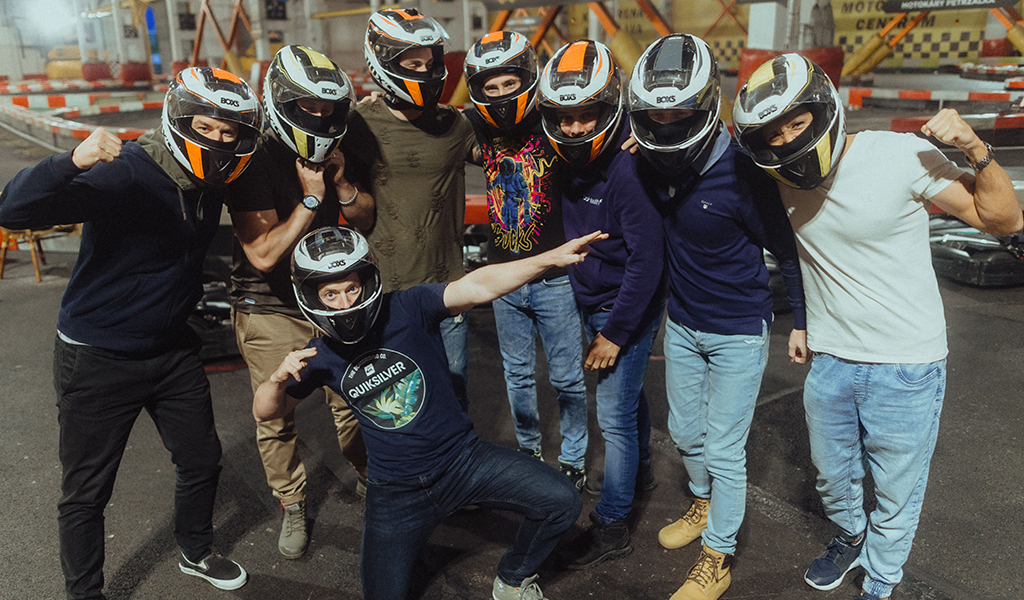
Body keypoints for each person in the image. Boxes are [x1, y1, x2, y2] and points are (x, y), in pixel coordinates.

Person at [733, 54, 1022, 600]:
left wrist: (974, 147)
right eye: (774, 133)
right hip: (832, 358)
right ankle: (850, 536)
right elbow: (706, 153)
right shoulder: (776, 176)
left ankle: (883, 579)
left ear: (823, 109)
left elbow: (1004, 221)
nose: (788, 139)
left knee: (896, 488)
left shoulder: (897, 155)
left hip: (906, 362)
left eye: (797, 123)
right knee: (831, 476)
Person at [0, 67, 262, 599]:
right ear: (179, 119)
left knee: (201, 459)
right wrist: (72, 160)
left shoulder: (214, 180)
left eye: (226, 133)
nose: (216, 141)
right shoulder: (127, 173)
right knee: (87, 491)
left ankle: (194, 549)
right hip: (98, 354)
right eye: (205, 128)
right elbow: (12, 209)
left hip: (171, 349)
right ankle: (86, 593)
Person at [253, 226, 595, 600]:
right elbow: (267, 412)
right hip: (395, 492)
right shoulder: (320, 356)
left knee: (562, 501)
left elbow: (477, 286)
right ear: (311, 296)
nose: (344, 303)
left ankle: (513, 580)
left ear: (366, 282)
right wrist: (275, 379)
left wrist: (548, 258)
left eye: (351, 288)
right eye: (330, 294)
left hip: (463, 462)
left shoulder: (407, 307)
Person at [627, 35, 808, 600]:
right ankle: (702, 503)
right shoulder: (655, 162)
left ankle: (718, 557)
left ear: (705, 106)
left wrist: (799, 320)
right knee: (684, 432)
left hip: (736, 331)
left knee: (725, 448)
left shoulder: (741, 172)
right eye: (654, 117)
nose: (664, 127)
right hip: (681, 326)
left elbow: (785, 248)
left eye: (677, 115)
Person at [227, 44, 374, 559]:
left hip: (332, 302)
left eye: (326, 109)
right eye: (307, 107)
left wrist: (341, 182)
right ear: (281, 101)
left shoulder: (336, 148)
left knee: (355, 398)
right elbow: (263, 255)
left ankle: (367, 475)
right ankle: (292, 503)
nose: (318, 117)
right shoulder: (255, 160)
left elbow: (366, 220)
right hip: (271, 308)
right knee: (277, 414)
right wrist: (311, 200)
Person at [537, 39, 666, 569]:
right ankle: (639, 472)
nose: (573, 128)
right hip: (594, 300)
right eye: (564, 118)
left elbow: (647, 263)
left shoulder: (627, 171)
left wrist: (614, 334)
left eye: (587, 116)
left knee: (612, 415)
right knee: (627, 403)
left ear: (610, 111)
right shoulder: (566, 162)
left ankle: (612, 524)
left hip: (625, 307)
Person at [463, 31, 589, 489]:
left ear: (528, 80)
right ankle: (530, 451)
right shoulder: (477, 126)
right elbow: (430, 121)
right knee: (516, 374)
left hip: (554, 277)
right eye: (490, 87)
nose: (500, 95)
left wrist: (633, 137)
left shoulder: (555, 122)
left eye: (508, 84)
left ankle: (573, 458)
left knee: (566, 378)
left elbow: (598, 120)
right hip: (503, 278)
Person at [348, 7, 480, 409]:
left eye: (430, 62)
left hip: (447, 291)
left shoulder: (456, 126)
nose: (424, 71)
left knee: (453, 401)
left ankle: (457, 473)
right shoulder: (357, 124)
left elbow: (516, 146)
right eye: (412, 63)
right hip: (385, 292)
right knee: (394, 408)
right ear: (384, 64)